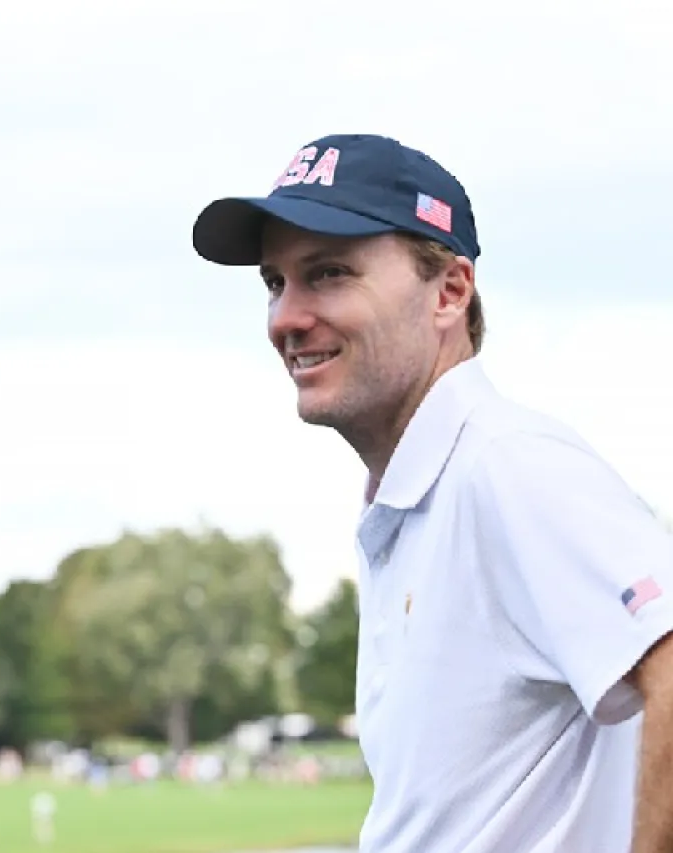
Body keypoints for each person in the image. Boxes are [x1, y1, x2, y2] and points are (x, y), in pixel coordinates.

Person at [191, 133, 673, 851]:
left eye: (328, 274)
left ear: (449, 291)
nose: (286, 317)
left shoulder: (507, 466)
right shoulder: (420, 492)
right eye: (274, 282)